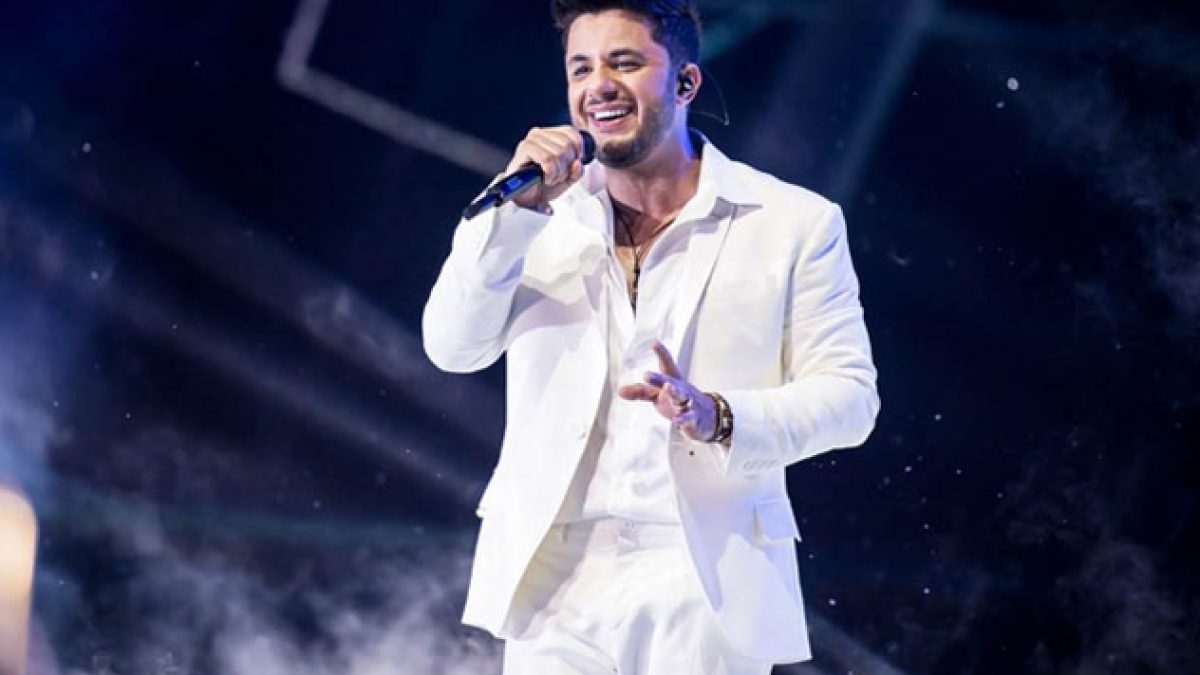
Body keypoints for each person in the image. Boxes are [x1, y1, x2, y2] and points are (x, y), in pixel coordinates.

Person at [422, 1, 879, 672]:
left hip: (702, 575)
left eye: (625, 63)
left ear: (686, 82)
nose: (598, 86)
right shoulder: (530, 216)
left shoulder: (792, 223)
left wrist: (719, 414)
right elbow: (452, 347)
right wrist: (513, 219)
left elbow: (850, 399)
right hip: (552, 578)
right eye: (581, 68)